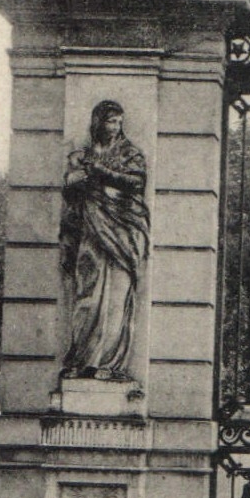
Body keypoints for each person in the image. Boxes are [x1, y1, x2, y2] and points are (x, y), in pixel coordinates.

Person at [60, 100, 150, 380]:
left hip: (123, 231)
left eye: (119, 122)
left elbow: (136, 182)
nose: (115, 127)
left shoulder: (130, 153)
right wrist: (79, 179)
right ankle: (83, 359)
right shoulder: (82, 154)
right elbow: (69, 186)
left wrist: (99, 172)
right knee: (87, 292)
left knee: (117, 295)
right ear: (98, 122)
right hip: (90, 229)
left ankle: (109, 363)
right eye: (110, 121)